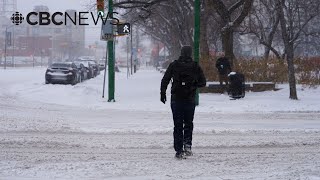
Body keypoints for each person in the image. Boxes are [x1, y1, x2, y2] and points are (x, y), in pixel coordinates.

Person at [160, 45, 206, 159]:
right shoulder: (195, 66)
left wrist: (163, 93)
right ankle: (188, 145)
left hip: (176, 99)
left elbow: (165, 79)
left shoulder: (174, 65)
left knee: (178, 125)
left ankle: (179, 150)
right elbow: (203, 82)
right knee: (188, 123)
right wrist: (193, 86)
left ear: (181, 53)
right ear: (190, 53)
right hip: (189, 99)